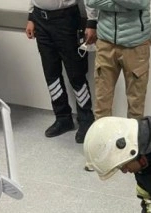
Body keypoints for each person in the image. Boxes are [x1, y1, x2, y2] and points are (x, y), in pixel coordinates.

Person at [26, 1, 98, 143]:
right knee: (51, 73)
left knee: (76, 73)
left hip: (66, 19)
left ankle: (86, 119)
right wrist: (31, 16)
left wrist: (91, 22)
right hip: (40, 19)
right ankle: (63, 117)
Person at [85, 0, 151, 120]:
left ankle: (134, 133)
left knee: (136, 108)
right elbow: (91, 1)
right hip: (105, 41)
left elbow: (140, 2)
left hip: (136, 44)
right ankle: (103, 133)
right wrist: (126, 7)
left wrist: (110, 5)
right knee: (102, 105)